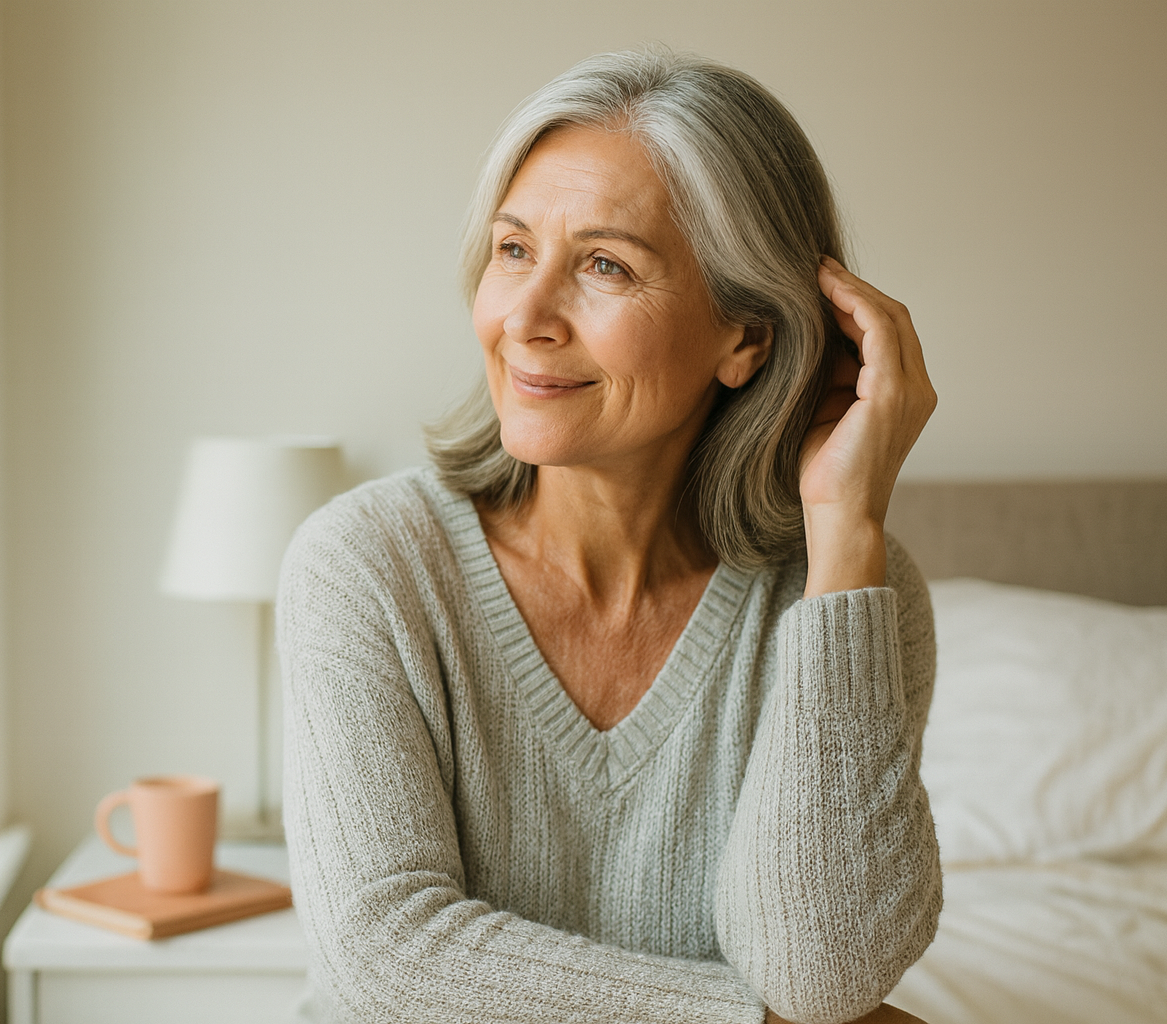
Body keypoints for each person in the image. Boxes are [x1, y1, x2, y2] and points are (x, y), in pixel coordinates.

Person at [277, 48, 940, 1024]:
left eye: (603, 265)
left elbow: (821, 975)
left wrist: (842, 532)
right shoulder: (367, 565)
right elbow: (385, 952)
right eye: (512, 251)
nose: (525, 317)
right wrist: (744, 1021)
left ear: (745, 336)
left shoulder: (852, 596)